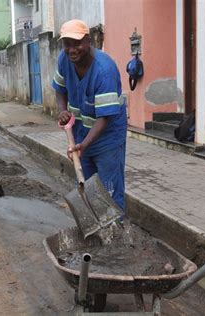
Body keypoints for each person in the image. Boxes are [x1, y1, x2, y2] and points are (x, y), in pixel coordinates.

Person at [52, 20, 127, 211]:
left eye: (77, 43)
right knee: (87, 185)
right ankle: (95, 227)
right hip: (80, 135)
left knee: (109, 189)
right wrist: (62, 110)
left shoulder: (104, 70)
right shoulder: (64, 59)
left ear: (88, 41)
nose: (72, 49)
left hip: (107, 138)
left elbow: (105, 118)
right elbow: (59, 89)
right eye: (67, 44)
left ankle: (115, 232)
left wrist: (84, 145)